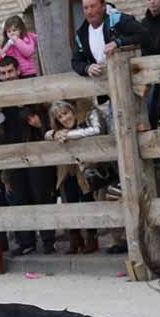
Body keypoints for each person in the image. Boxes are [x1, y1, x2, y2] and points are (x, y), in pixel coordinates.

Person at [0, 57, 55, 256]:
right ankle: (26, 242)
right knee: (19, 199)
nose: (7, 77)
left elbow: (50, 117)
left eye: (10, 72)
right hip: (13, 154)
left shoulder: (33, 88)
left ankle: (48, 242)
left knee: (41, 196)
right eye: (3, 73)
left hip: (37, 152)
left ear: (18, 71)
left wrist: (40, 126)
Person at [46, 100, 108, 254]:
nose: (64, 118)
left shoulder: (84, 124)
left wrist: (70, 134)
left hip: (84, 171)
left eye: (66, 113)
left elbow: (96, 131)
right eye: (60, 117)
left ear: (72, 111)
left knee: (87, 202)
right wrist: (54, 134)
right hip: (66, 172)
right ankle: (75, 239)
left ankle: (91, 238)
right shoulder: (58, 131)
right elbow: (47, 134)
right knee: (69, 203)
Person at [71, 0, 147, 79]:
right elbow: (76, 61)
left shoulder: (118, 20)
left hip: (129, 76)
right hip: (101, 82)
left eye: (93, 6)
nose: (89, 11)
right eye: (86, 8)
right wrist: (87, 68)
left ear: (103, 6)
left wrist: (118, 42)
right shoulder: (81, 34)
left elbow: (144, 35)